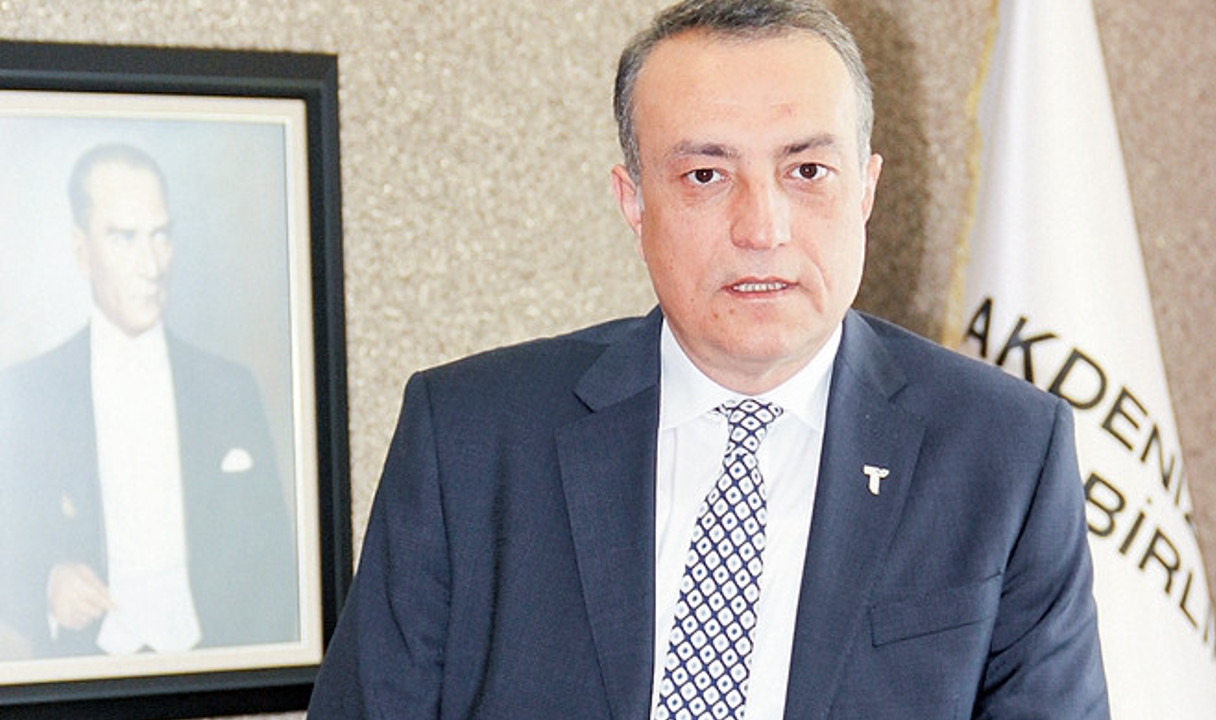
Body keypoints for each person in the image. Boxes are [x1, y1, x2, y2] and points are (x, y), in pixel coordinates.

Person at [307, 0, 1109, 717]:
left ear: (864, 190)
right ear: (634, 202)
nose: (762, 228)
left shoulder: (1004, 454)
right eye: (705, 174)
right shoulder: (469, 438)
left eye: (807, 171)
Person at [0, 143, 297, 658]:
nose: (151, 264)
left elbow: (277, 565)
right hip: (85, 673)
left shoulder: (230, 389)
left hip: (218, 673)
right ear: (80, 250)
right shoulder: (29, 393)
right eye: (124, 237)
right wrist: (47, 587)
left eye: (161, 235)